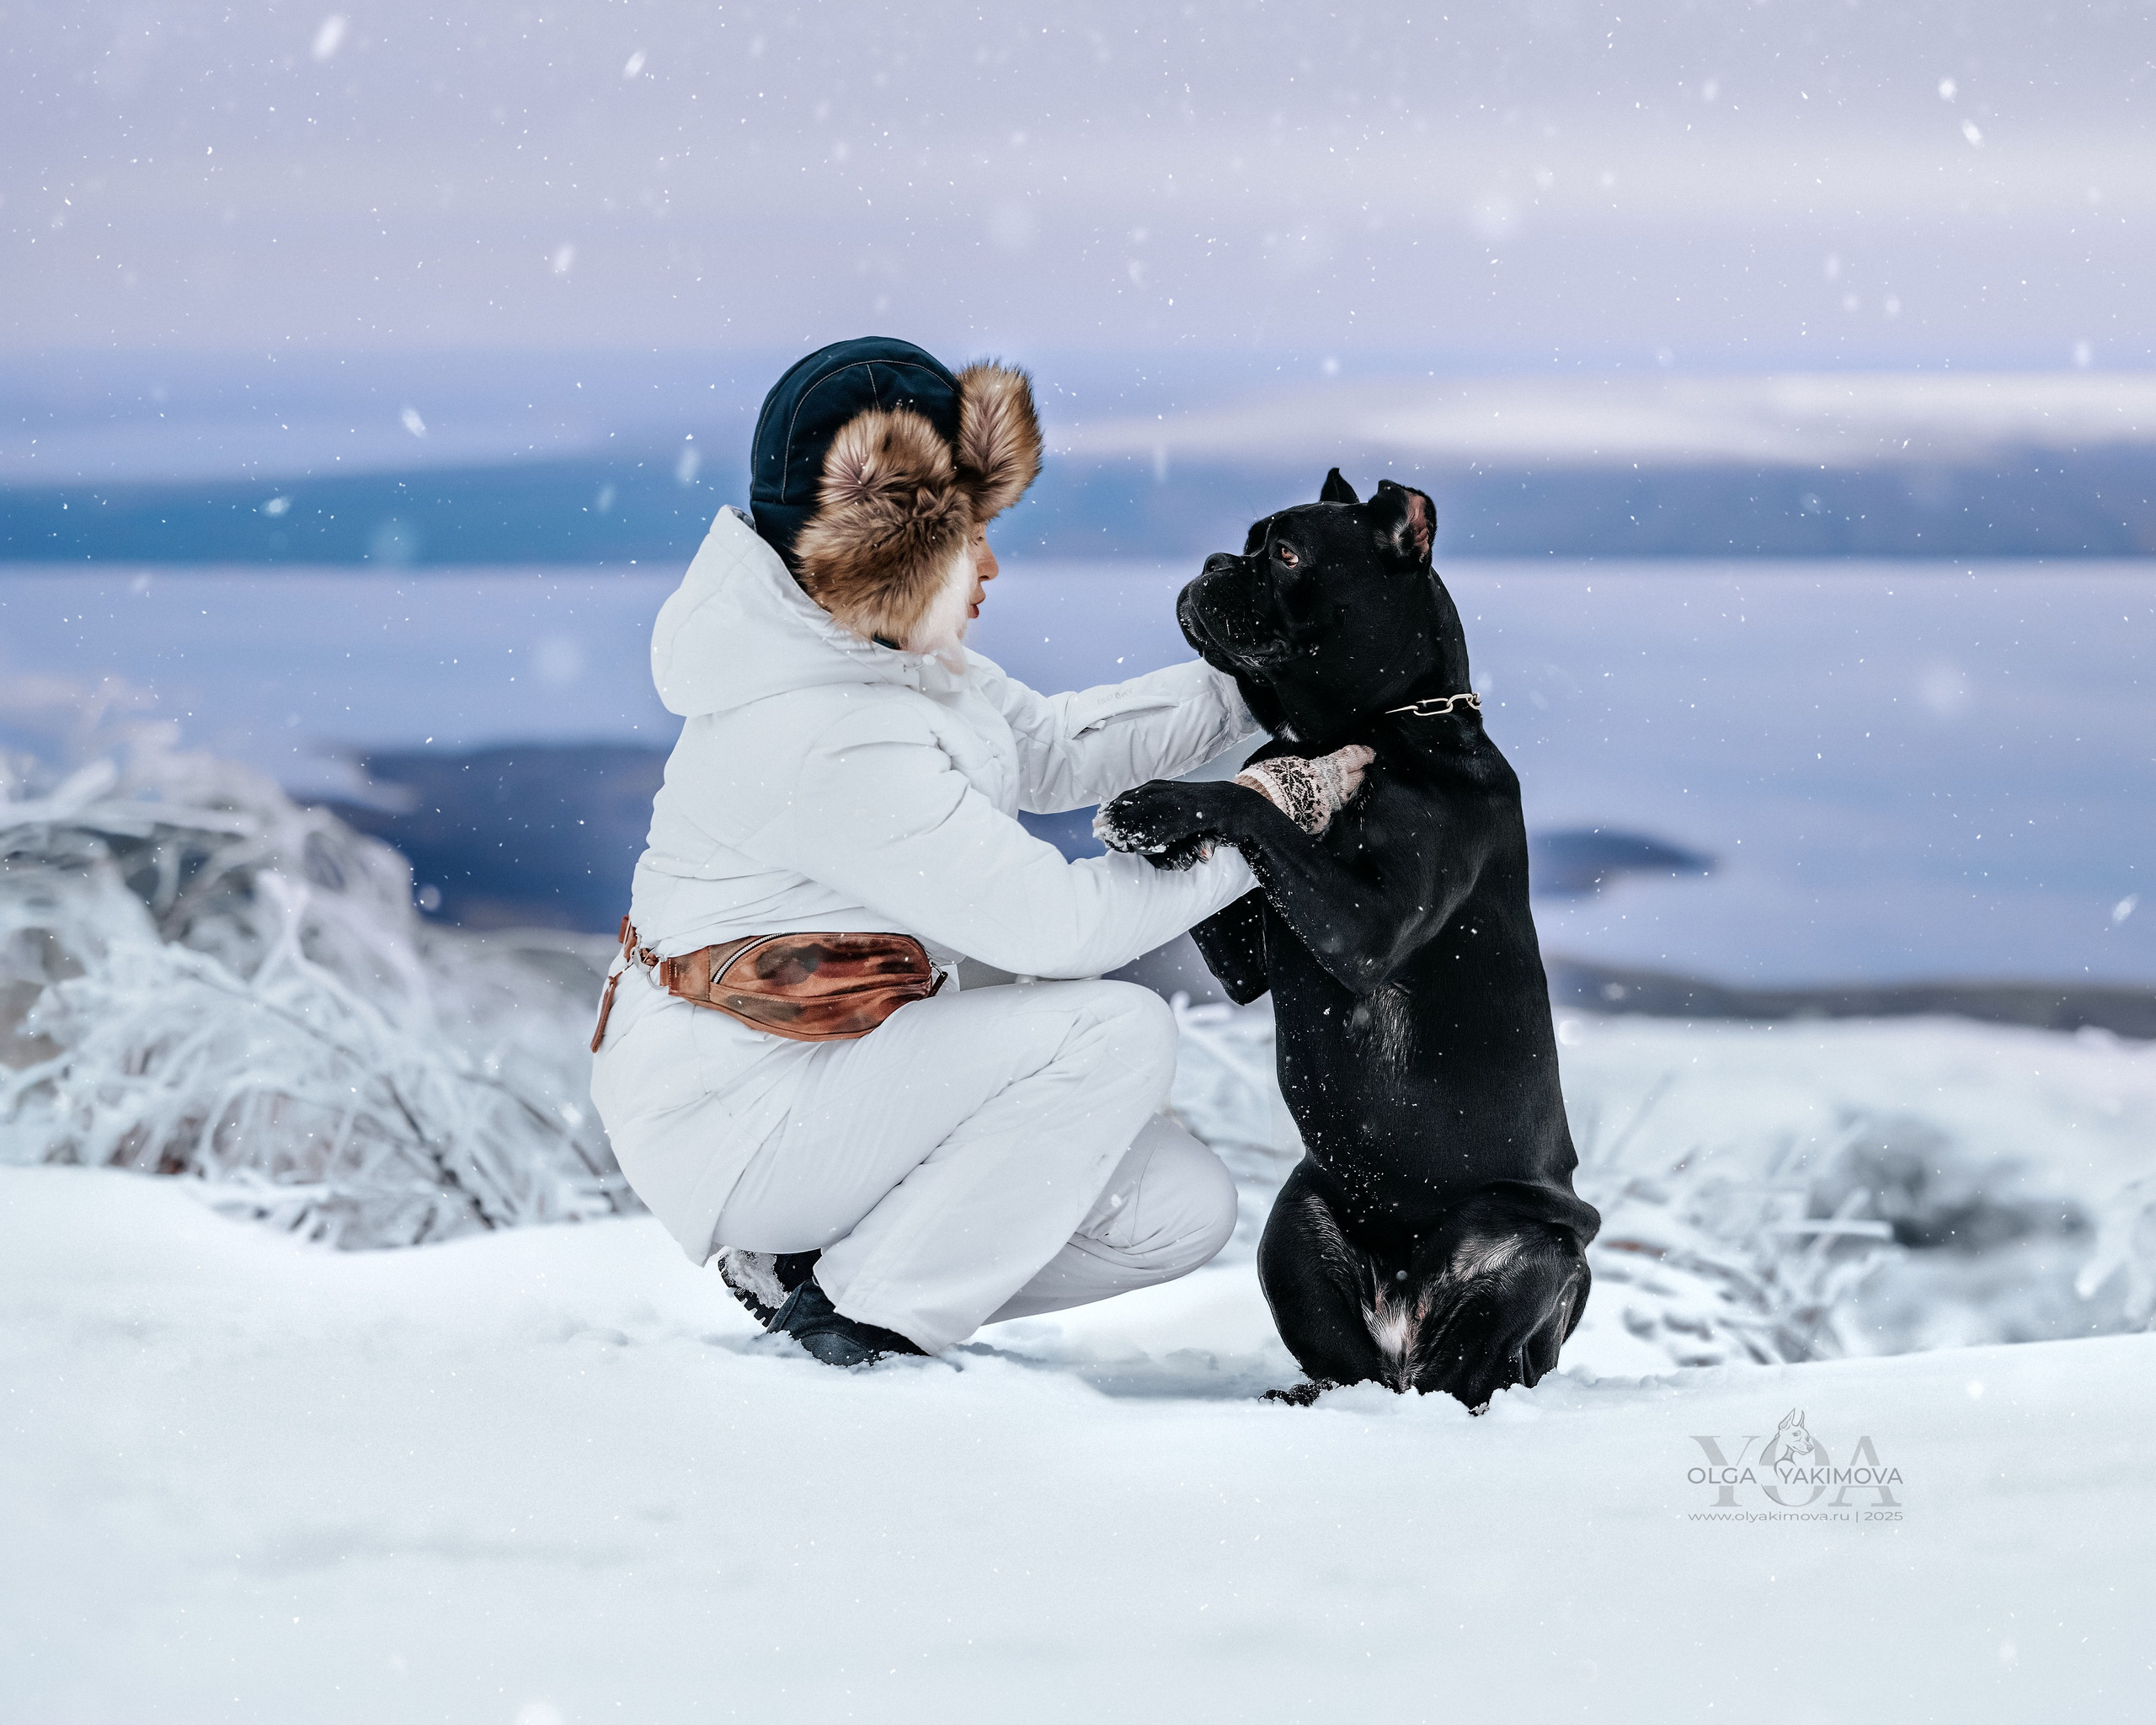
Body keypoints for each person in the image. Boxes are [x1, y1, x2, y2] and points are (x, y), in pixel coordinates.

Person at [589, 337, 1262, 1367]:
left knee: (1175, 1209)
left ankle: (820, 1273)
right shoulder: (826, 725)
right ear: (882, 549)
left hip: (832, 1068)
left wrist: (1261, 686)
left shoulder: (873, 655)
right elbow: (1062, 927)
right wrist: (1268, 823)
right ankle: (866, 1325)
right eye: (970, 535)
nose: (991, 563)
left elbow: (1046, 750)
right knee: (1111, 1031)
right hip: (737, 1107)